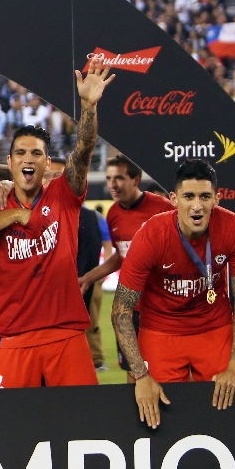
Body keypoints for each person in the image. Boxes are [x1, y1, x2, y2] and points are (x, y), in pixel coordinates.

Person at [0, 55, 115, 389]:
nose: (29, 159)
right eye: (21, 153)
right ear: (10, 161)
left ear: (47, 163)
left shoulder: (63, 193)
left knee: (83, 416)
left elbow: (84, 151)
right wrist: (13, 214)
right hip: (14, 336)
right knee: (12, 420)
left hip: (65, 333)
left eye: (37, 153)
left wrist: (88, 107)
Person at [111, 159, 235, 429]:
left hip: (214, 327)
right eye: (189, 196)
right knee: (160, 418)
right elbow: (121, 311)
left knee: (226, 414)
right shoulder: (151, 235)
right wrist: (141, 375)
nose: (197, 206)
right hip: (161, 330)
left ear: (217, 199)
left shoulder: (233, 228)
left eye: (205, 197)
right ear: (174, 199)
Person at [79, 155, 174, 372]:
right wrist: (89, 278)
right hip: (131, 308)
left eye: (119, 178)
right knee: (133, 372)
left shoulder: (164, 208)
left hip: (165, 308)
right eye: (109, 178)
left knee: (169, 372)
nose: (112, 184)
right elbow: (121, 256)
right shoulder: (113, 214)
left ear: (136, 180)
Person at [42, 156, 108, 370]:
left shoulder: (88, 217)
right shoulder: (27, 212)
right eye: (47, 175)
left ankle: (96, 359)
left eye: (58, 176)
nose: (52, 181)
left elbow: (93, 254)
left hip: (76, 290)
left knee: (88, 326)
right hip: (39, 303)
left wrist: (81, 284)